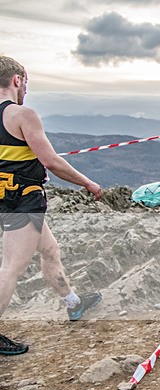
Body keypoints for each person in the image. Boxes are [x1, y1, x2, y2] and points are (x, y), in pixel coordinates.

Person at [0, 56, 103, 356]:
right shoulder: (22, 114)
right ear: (17, 80)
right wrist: (88, 183)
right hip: (23, 199)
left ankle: (73, 303)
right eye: (25, 83)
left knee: (50, 250)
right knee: (11, 267)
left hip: (6, 196)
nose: (26, 90)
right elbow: (51, 161)